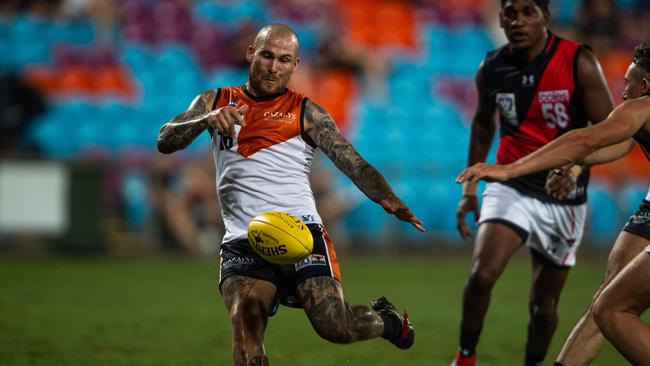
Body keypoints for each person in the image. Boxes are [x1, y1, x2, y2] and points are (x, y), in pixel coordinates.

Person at [156, 23, 424, 366]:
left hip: (301, 233)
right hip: (243, 238)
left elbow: (353, 164)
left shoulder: (307, 113)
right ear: (251, 53)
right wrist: (206, 119)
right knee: (245, 324)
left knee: (334, 326)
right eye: (267, 55)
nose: (273, 66)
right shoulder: (216, 100)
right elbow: (165, 140)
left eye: (284, 59)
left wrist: (389, 199)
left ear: (295, 65)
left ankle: (387, 321)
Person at [457, 43, 650, 366]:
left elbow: (585, 139)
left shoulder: (642, 107)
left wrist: (509, 169)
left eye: (628, 82)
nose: (623, 92)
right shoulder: (638, 117)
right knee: (608, 298)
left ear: (644, 85)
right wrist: (575, 166)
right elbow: (616, 142)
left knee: (612, 310)